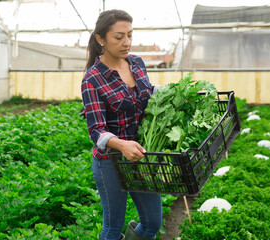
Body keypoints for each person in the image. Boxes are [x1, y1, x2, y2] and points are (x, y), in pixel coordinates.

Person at [81, 9, 162, 240]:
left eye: (129, 35)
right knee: (113, 227)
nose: (126, 42)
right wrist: (122, 145)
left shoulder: (136, 63)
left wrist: (183, 94)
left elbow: (148, 92)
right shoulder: (93, 79)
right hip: (110, 161)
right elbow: (96, 129)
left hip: (140, 155)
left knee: (152, 223)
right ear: (100, 39)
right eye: (118, 37)